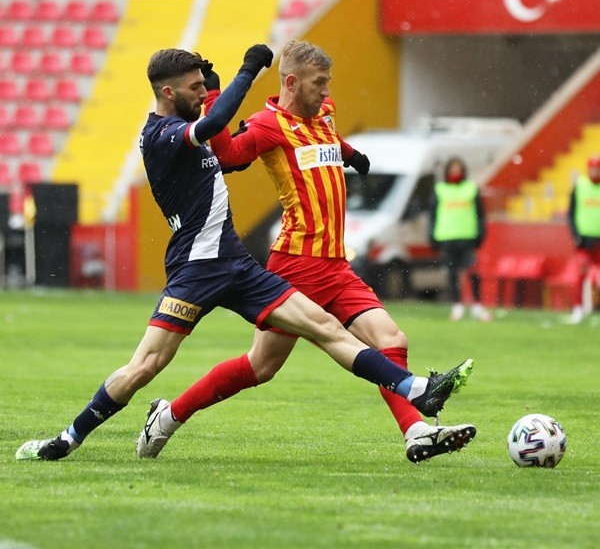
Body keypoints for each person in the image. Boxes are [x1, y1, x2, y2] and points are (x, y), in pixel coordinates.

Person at [16, 45, 474, 462]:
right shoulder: (163, 134)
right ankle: (72, 438)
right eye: (195, 88)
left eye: (204, 86)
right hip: (199, 269)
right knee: (150, 365)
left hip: (238, 263)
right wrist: (246, 72)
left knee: (327, 331)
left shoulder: (308, 117)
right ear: (169, 92)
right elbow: (222, 139)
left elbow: (286, 138)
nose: (202, 93)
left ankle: (415, 397)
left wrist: (349, 154)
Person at [429, 157, 492, 322]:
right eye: (453, 169)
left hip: (467, 237)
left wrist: (480, 234)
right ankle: (457, 306)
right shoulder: (440, 189)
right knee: (452, 273)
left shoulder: (471, 188)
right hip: (447, 236)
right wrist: (432, 236)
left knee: (473, 272)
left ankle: (477, 306)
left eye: (458, 169)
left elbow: (480, 214)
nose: (455, 172)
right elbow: (432, 215)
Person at [566, 154, 600, 324]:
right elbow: (571, 213)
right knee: (580, 274)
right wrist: (575, 235)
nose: (594, 171)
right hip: (584, 240)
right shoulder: (580, 186)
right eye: (592, 168)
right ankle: (578, 309)